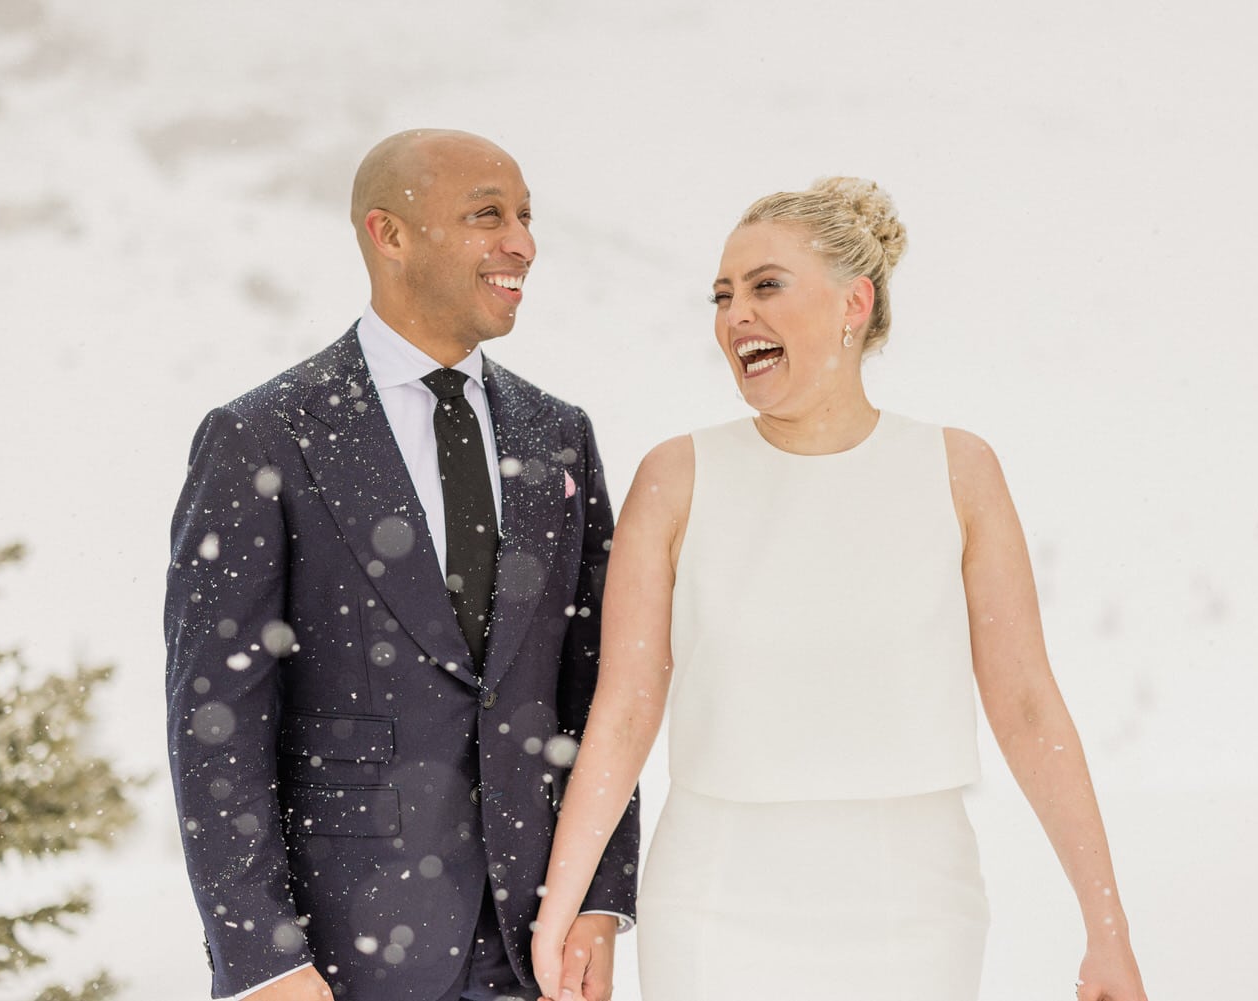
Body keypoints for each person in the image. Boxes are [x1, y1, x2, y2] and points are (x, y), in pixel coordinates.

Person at [529, 178, 1148, 1000]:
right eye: (722, 296)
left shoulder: (959, 472)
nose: (734, 315)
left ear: (854, 302)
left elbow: (1028, 702)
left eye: (766, 285)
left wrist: (1107, 929)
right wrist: (561, 912)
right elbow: (625, 712)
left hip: (915, 903)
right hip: (713, 899)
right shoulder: (675, 478)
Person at [164, 129, 638, 1001]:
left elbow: (600, 690)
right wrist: (264, 961)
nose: (523, 243)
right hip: (345, 956)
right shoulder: (262, 436)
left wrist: (602, 904)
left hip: (537, 948)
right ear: (389, 234)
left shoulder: (558, 434)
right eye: (487, 215)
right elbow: (216, 721)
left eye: (527, 216)